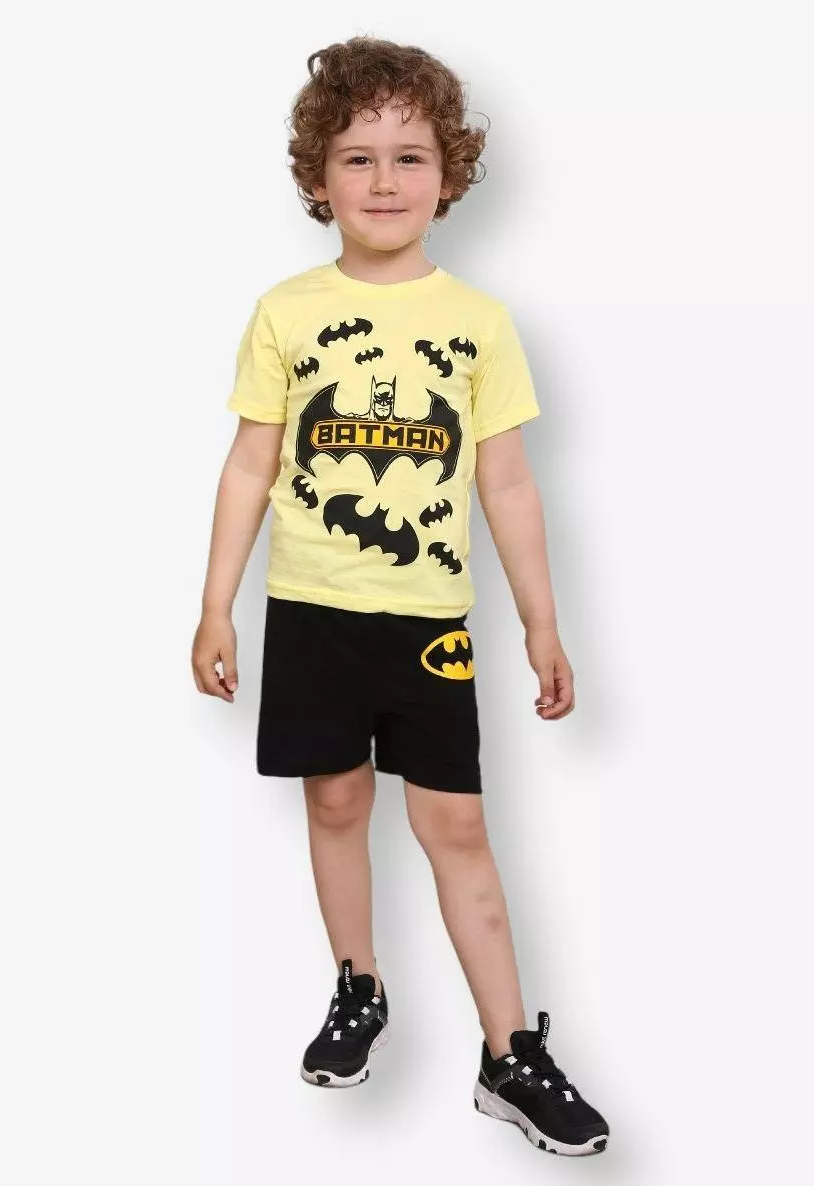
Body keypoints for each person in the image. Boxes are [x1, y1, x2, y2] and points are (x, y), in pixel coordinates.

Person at [192, 35, 609, 1157]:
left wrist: (542, 623)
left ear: (449, 173)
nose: (384, 181)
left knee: (454, 823)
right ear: (318, 176)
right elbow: (249, 463)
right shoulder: (285, 311)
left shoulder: (479, 324)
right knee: (334, 804)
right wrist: (216, 604)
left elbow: (507, 483)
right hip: (309, 610)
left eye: (409, 156)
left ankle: (508, 1051)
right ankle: (358, 984)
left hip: (428, 622)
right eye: (358, 157)